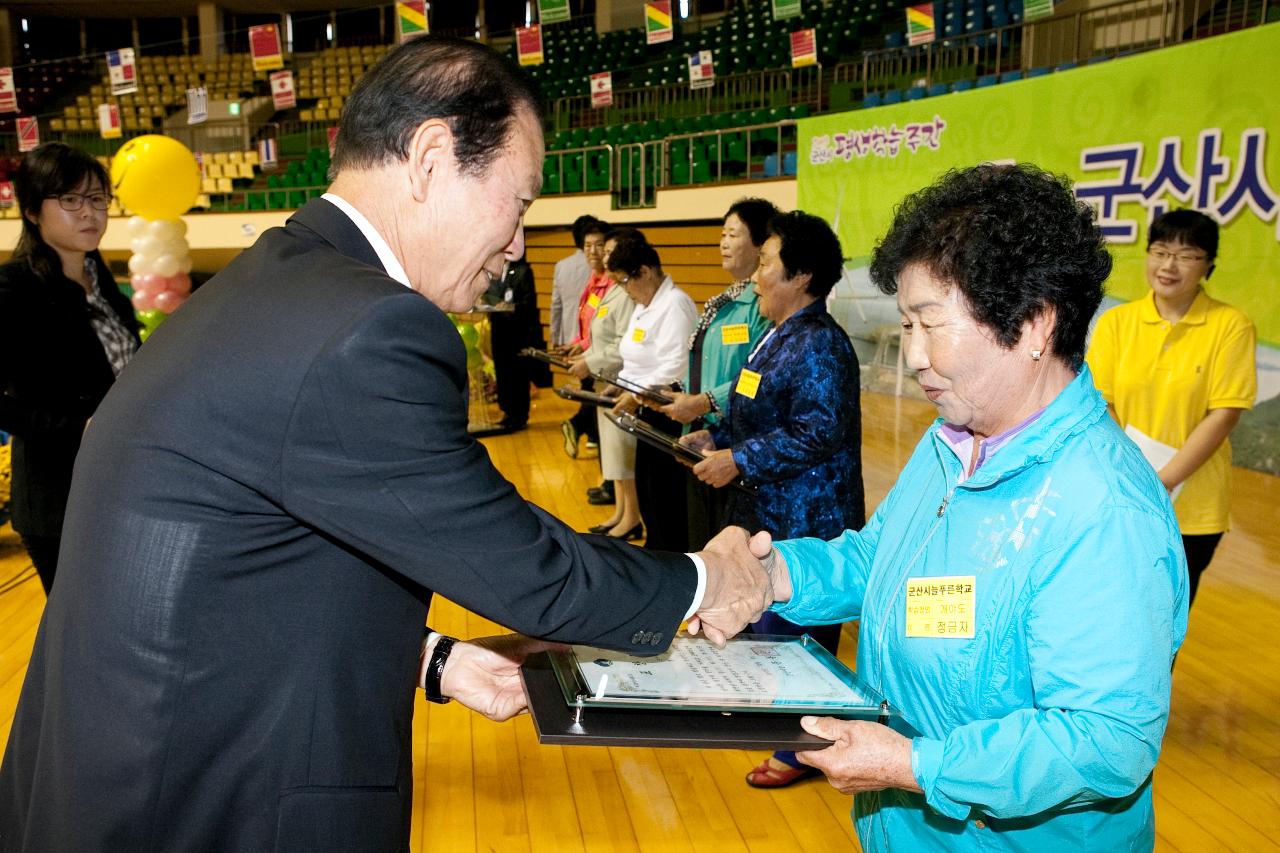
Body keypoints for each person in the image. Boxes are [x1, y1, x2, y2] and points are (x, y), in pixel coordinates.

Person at [0, 37, 773, 853]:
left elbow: (245, 565)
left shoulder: (278, 277)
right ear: (433, 157)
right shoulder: (367, 325)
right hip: (205, 801)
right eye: (518, 205)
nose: (516, 243)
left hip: (114, 778)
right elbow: (523, 567)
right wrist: (702, 576)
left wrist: (433, 659)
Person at [749, 164, 1187, 851]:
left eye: (931, 324)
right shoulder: (954, 436)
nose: (914, 355)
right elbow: (879, 559)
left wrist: (911, 763)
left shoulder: (1104, 507)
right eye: (905, 324)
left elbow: (1105, 738)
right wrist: (773, 575)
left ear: (1034, 322)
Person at [683, 210, 864, 788]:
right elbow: (764, 412)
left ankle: (803, 746)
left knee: (796, 640)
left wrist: (738, 458)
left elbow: (819, 429)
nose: (757, 274)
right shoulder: (778, 334)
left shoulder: (820, 344)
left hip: (808, 519)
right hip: (770, 512)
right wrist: (719, 436)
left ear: (802, 276)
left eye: (766, 263)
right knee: (768, 630)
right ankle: (784, 726)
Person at [1087, 209, 1256, 608]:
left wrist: (1163, 480)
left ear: (1208, 264)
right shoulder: (1116, 323)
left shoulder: (1231, 326)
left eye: (1186, 255)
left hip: (1192, 508)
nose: (1168, 265)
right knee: (1109, 608)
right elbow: (1101, 402)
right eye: (1160, 251)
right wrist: (1138, 475)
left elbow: (1225, 412)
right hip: (1122, 492)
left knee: (1164, 619)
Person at [0, 142, 139, 595]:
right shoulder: (14, 288)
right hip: (59, 501)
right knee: (81, 642)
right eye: (71, 200)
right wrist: (77, 428)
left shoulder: (102, 282)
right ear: (32, 210)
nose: (89, 213)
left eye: (98, 199)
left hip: (121, 486)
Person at [660, 197, 775, 549]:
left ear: (760, 246)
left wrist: (706, 401)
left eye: (733, 234)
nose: (723, 242)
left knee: (727, 542)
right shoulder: (723, 300)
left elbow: (758, 374)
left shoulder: (763, 306)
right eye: (722, 234)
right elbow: (706, 363)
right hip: (701, 435)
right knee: (700, 536)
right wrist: (675, 390)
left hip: (732, 442)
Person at [605, 232, 698, 548]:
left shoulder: (676, 304)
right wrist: (623, 388)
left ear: (645, 271)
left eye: (625, 281)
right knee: (648, 491)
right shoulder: (644, 305)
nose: (624, 290)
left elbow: (677, 366)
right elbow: (634, 357)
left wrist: (635, 394)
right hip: (644, 410)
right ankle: (657, 553)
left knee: (665, 496)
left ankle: (671, 557)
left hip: (669, 413)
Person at [565, 227, 638, 533]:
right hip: (602, 380)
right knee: (611, 455)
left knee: (622, 455)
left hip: (619, 382)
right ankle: (621, 513)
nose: (602, 256)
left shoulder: (627, 292)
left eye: (608, 251)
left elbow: (623, 343)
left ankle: (631, 517)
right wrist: (584, 355)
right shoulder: (609, 288)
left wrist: (589, 361)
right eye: (599, 250)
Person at [557, 220, 610, 460]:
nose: (593, 251)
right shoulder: (593, 280)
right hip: (588, 353)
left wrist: (584, 346)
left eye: (599, 245)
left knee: (597, 402)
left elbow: (604, 328)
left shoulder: (611, 283)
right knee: (591, 400)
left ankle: (578, 426)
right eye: (588, 246)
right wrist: (576, 342)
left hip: (602, 358)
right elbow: (588, 321)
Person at [479, 252, 546, 433]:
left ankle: (520, 415)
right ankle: (507, 411)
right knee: (503, 371)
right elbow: (486, 296)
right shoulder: (492, 271)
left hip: (518, 331)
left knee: (518, 373)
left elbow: (529, 303)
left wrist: (509, 307)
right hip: (498, 329)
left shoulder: (523, 271)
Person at [550, 214, 598, 349]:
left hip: (568, 335)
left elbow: (556, 305)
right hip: (593, 338)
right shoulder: (599, 266)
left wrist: (554, 336)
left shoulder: (561, 266)